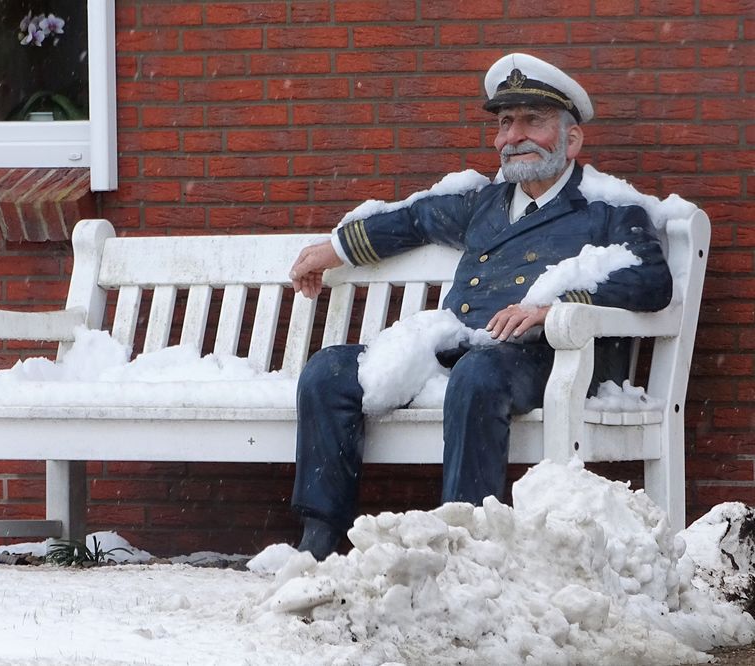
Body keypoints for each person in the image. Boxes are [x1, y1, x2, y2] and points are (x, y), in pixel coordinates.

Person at [288, 53, 673, 560]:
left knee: (478, 374)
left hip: (549, 357)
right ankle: (318, 535)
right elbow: (415, 220)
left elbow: (651, 280)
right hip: (463, 343)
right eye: (505, 122)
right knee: (329, 370)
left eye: (532, 121)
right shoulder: (486, 202)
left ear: (571, 140)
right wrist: (333, 249)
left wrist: (553, 305)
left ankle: (465, 539)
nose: (513, 136)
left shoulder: (606, 209)